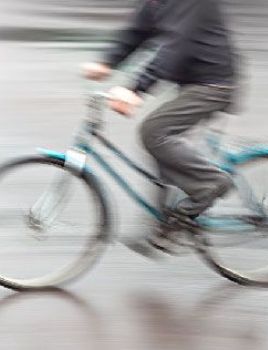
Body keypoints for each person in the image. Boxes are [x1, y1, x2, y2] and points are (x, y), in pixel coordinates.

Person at [82, 0, 238, 233]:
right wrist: (106, 62)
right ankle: (169, 225)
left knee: (154, 131)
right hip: (191, 83)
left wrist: (136, 90)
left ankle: (211, 183)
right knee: (163, 150)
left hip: (213, 85)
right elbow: (136, 33)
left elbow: (177, 46)